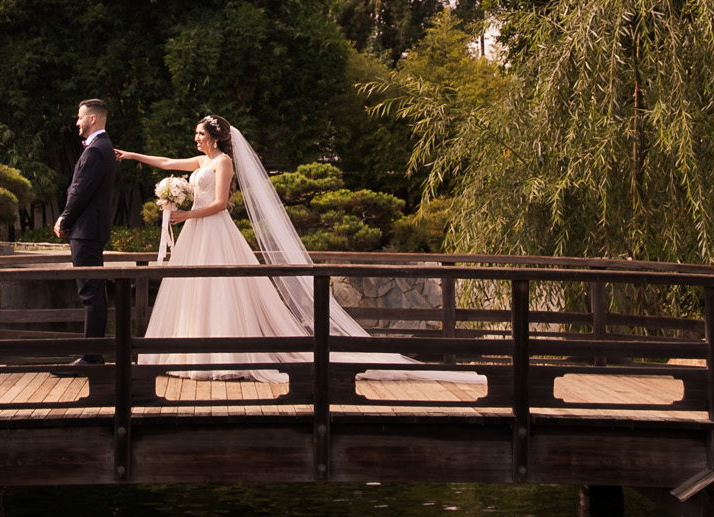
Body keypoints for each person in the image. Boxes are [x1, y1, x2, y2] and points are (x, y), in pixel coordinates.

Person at [116, 115, 462, 382]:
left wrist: (187, 213)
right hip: (194, 231)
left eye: (200, 134)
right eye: (195, 135)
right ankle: (187, 355)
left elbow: (221, 203)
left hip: (214, 229)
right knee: (192, 291)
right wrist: (132, 155)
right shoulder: (201, 163)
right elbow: (167, 163)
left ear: (216, 137)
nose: (196, 139)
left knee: (219, 289)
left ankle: (223, 356)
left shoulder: (222, 162)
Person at [54, 98, 117, 365]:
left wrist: (64, 220)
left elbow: (80, 191)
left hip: (86, 230)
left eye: (80, 117)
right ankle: (91, 353)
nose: (77, 122)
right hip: (90, 228)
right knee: (92, 292)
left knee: (90, 293)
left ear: (92, 119)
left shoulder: (96, 150)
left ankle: (91, 355)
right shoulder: (103, 147)